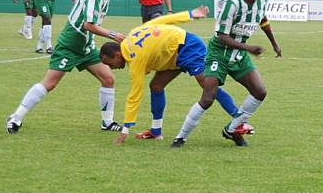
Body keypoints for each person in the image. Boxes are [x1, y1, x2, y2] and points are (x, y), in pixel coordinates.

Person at [6, 0, 130, 135]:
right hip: (70, 46)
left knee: (108, 79)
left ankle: (107, 122)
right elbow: (88, 25)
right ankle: (16, 117)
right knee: (50, 83)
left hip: (86, 47)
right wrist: (113, 35)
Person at [99, 8, 253, 144]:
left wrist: (125, 129)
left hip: (187, 46)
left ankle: (239, 119)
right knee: (156, 86)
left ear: (117, 55)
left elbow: (134, 95)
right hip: (174, 55)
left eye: (109, 63)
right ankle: (156, 131)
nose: (111, 67)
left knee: (208, 87)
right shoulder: (133, 34)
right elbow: (161, 20)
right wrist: (190, 14)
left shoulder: (135, 59)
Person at [170, 0, 281, 148]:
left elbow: (263, 20)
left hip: (239, 55)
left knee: (260, 92)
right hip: (219, 53)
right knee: (208, 98)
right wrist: (249, 47)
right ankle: (180, 138)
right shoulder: (232, 3)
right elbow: (222, 35)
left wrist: (274, 42)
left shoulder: (263, 1)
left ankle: (232, 129)